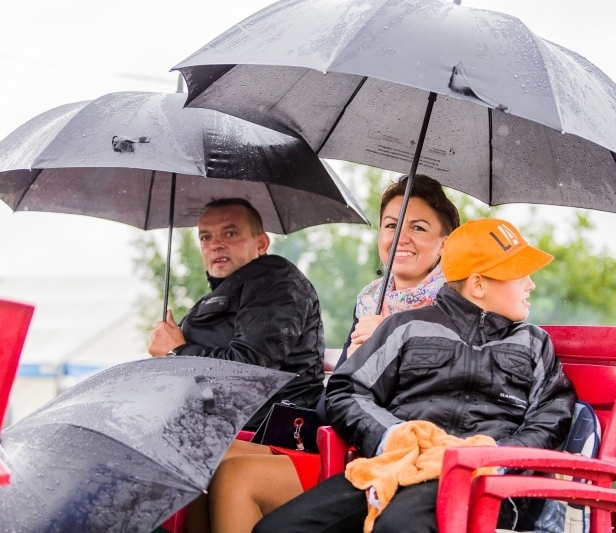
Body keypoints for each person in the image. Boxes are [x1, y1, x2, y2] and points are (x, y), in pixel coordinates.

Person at [252, 218, 577, 533]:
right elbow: (346, 391)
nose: (531, 283)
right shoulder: (404, 327)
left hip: (484, 482)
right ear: (478, 283)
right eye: (519, 273)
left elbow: (551, 418)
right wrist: (391, 436)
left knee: (400, 524)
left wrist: (495, 454)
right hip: (395, 467)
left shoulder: (533, 343)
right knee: (277, 527)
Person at [202, 175, 461, 533]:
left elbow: (441, 404)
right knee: (206, 458)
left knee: (236, 477)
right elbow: (333, 400)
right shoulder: (371, 302)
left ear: (444, 243)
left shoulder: (456, 309)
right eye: (391, 225)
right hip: (333, 439)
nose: (400, 237)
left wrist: (388, 344)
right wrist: (356, 361)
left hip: (385, 458)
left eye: (418, 227)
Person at [147, 197, 325, 431]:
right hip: (219, 427)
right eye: (205, 237)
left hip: (269, 431)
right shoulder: (228, 292)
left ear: (261, 243)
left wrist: (177, 352)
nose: (215, 244)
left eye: (229, 234)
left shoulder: (276, 283)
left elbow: (248, 371)